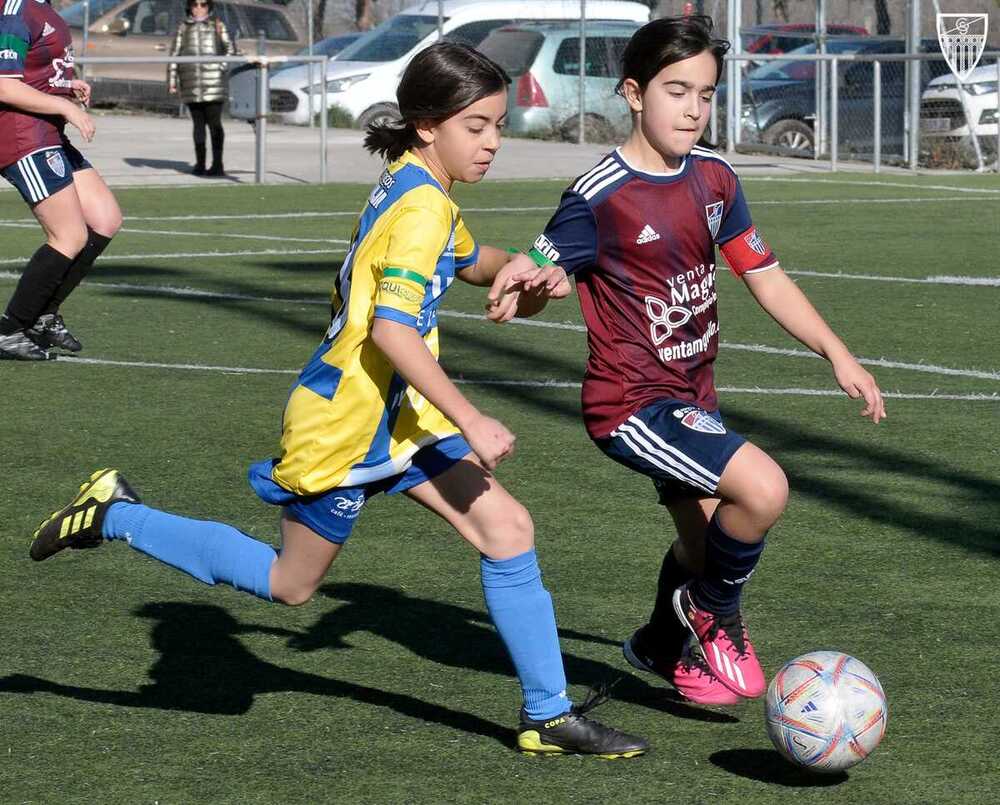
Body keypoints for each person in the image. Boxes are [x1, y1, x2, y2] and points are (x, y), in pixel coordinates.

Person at [29, 42, 649, 759]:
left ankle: (549, 713)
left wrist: (522, 267)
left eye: (498, 125)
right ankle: (116, 513)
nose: (492, 142)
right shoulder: (420, 205)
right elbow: (391, 331)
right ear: (428, 125)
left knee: (507, 528)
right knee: (290, 585)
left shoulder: (421, 184)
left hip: (402, 418)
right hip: (348, 421)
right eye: (476, 126)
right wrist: (473, 416)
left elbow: (464, 256)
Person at [487, 16, 886, 706]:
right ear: (635, 93)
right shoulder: (597, 196)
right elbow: (535, 279)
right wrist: (529, 287)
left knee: (705, 548)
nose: (695, 109)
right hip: (631, 403)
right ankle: (713, 613)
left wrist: (838, 353)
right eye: (678, 91)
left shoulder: (715, 178)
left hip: (692, 397)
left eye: (706, 94)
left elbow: (764, 275)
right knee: (762, 489)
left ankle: (657, 642)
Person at [0, 0, 123, 360]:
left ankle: (42, 315)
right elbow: (4, 86)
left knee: (105, 219)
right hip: (24, 137)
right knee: (69, 235)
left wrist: (66, 84)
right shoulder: (15, 10)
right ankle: (10, 329)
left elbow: (35, 69)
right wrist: (66, 106)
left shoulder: (43, 7)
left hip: (48, 132)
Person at [168, 0, 238, 176]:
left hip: (214, 84)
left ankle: (217, 164)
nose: (199, 8)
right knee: (198, 125)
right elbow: (174, 55)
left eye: (203, 4)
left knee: (215, 124)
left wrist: (220, 66)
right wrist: (172, 81)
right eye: (195, 4)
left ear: (209, 7)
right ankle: (200, 164)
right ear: (189, 7)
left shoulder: (217, 25)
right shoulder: (182, 28)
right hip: (191, 84)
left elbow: (230, 49)